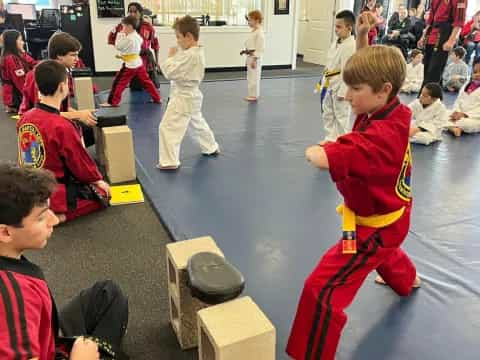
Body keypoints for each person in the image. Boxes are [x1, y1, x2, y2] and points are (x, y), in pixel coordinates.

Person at [286, 15, 420, 360]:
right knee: (385, 251)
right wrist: (362, 38)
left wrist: (322, 152)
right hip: (383, 217)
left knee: (322, 289)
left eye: (355, 90)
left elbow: (354, 149)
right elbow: (369, 79)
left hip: (376, 227)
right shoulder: (391, 109)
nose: (347, 97)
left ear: (384, 90)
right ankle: (407, 280)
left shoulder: (383, 135)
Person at [0, 163, 128, 359]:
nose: (54, 220)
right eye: (42, 218)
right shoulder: (14, 298)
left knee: (107, 294)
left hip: (47, 342)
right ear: (5, 232)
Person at [17, 60, 110, 222]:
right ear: (62, 87)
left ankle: (38, 210)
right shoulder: (62, 126)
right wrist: (97, 180)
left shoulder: (25, 117)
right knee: (104, 196)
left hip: (28, 184)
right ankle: (59, 217)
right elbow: (79, 163)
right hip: (54, 190)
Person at [157, 15, 219, 170]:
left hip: (183, 97)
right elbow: (180, 65)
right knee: (197, 123)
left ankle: (169, 161)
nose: (177, 41)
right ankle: (211, 146)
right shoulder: (194, 52)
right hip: (191, 96)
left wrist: (170, 58)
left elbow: (169, 72)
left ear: (189, 36)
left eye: (178, 37)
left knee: (168, 128)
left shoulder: (191, 55)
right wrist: (176, 56)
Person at [19, 32, 97, 147]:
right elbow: (44, 115)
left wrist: (83, 114)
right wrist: (79, 115)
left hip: (47, 119)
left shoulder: (61, 72)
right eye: (73, 55)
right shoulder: (42, 76)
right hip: (34, 128)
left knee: (90, 128)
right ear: (59, 56)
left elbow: (61, 107)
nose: (77, 59)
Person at [101, 15, 160, 107]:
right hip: (138, 63)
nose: (122, 28)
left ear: (129, 27)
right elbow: (138, 44)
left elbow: (118, 46)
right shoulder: (137, 36)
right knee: (147, 81)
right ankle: (157, 98)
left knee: (119, 82)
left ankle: (112, 102)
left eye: (124, 26)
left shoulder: (129, 38)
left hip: (130, 65)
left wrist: (120, 34)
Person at [317, 10, 356, 143]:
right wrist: (322, 81)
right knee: (327, 112)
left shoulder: (350, 45)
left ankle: (342, 141)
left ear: (349, 28)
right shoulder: (336, 42)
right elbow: (329, 63)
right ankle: (330, 137)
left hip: (340, 84)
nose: (336, 30)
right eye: (335, 26)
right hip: (329, 82)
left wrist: (344, 90)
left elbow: (347, 69)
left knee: (341, 115)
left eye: (339, 27)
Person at [108, 2, 160, 90]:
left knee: (153, 87)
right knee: (136, 88)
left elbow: (155, 45)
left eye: (135, 12)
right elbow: (111, 38)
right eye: (130, 12)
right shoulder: (123, 26)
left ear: (140, 13)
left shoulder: (148, 27)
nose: (132, 14)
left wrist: (157, 62)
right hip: (132, 59)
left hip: (146, 60)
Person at [418, 0, 468, 89]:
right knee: (427, 69)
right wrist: (423, 36)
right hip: (431, 34)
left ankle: (428, 98)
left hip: (444, 34)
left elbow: (459, 21)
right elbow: (430, 19)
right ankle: (424, 96)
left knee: (434, 70)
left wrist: (451, 40)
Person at [0, 29, 36, 113]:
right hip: (16, 97)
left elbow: (33, 63)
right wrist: (33, 98)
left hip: (20, 94)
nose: (23, 42)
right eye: (20, 40)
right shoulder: (10, 58)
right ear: (13, 42)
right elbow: (21, 83)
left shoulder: (19, 54)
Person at [447, 57, 480, 136]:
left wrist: (464, 115)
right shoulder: (467, 84)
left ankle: (452, 126)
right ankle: (455, 128)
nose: (478, 74)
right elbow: (458, 100)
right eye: (475, 71)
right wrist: (456, 111)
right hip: (459, 114)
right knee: (442, 113)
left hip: (473, 117)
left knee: (467, 123)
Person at [242, 10, 265, 102]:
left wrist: (255, 59)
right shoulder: (254, 31)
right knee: (250, 76)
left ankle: (254, 95)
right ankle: (251, 94)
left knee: (254, 76)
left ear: (257, 20)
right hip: (250, 56)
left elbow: (260, 48)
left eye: (250, 20)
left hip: (254, 57)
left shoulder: (260, 33)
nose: (248, 22)